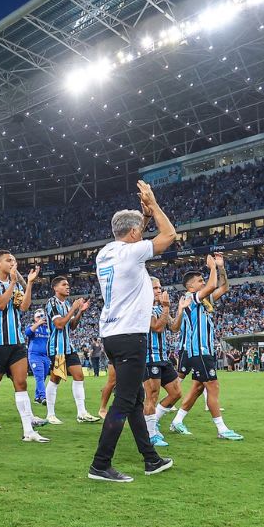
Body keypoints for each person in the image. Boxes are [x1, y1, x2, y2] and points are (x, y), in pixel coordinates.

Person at [88, 180, 175, 483]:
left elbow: (135, 237)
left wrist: (144, 217)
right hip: (130, 335)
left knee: (135, 398)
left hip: (111, 333)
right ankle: (100, 464)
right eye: (140, 229)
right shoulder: (132, 254)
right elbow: (170, 235)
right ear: (135, 234)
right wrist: (153, 204)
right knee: (125, 401)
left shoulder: (105, 252)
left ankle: (150, 459)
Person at [0, 249, 48, 443]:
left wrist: (29, 283)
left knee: (21, 384)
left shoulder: (14, 285)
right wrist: (14, 282)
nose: (13, 263)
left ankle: (28, 431)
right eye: (9, 260)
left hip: (16, 342)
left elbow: (24, 307)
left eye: (14, 260)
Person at [167, 255, 244, 441]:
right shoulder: (190, 297)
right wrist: (212, 269)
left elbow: (223, 287)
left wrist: (221, 267)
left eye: (203, 280)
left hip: (202, 349)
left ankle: (175, 421)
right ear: (191, 287)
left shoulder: (204, 299)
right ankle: (222, 429)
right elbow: (211, 286)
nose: (204, 283)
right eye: (199, 281)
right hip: (199, 350)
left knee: (198, 388)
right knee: (212, 386)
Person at [43, 275, 100, 424]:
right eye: (64, 284)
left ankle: (82, 413)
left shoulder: (67, 304)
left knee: (79, 376)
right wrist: (74, 308)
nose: (68, 286)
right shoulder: (51, 303)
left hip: (68, 347)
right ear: (55, 288)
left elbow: (72, 326)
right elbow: (59, 324)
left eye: (68, 284)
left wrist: (80, 311)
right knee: (55, 379)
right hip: (57, 347)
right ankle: (50, 414)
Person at [143, 277, 180, 448]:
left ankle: (153, 421)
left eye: (159, 287)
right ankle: (151, 434)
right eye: (155, 288)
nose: (159, 290)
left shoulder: (159, 307)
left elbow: (174, 327)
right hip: (150, 359)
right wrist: (166, 308)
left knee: (176, 393)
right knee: (152, 396)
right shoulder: (143, 307)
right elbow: (157, 327)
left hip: (163, 358)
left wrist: (180, 309)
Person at [25, 310, 50, 406]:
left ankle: (37, 397)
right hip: (35, 356)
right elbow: (27, 333)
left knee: (42, 377)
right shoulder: (32, 327)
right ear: (35, 318)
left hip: (46, 356)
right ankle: (43, 397)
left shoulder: (47, 329)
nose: (41, 318)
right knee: (39, 377)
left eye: (42, 316)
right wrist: (38, 324)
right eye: (39, 316)